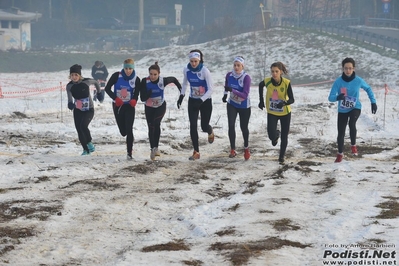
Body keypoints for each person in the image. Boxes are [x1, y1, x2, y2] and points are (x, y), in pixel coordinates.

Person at [328, 57, 377, 163]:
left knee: (352, 123)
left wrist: (373, 102)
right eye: (346, 68)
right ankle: (340, 153)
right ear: (343, 69)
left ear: (353, 68)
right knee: (340, 132)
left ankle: (353, 145)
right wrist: (338, 97)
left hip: (355, 107)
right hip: (343, 109)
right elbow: (330, 97)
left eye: (350, 68)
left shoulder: (358, 80)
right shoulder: (338, 82)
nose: (348, 70)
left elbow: (368, 88)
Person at [140, 61, 182, 160]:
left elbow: (174, 79)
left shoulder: (163, 81)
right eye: (151, 74)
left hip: (160, 106)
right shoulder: (144, 81)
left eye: (155, 74)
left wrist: (181, 90)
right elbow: (142, 98)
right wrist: (148, 94)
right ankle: (153, 149)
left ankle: (156, 147)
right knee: (150, 127)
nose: (153, 76)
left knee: (156, 123)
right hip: (149, 107)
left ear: (159, 74)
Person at [177, 49, 214, 160]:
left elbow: (211, 89)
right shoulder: (187, 70)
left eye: (195, 61)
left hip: (205, 101)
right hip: (193, 100)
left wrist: (201, 100)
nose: (193, 63)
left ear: (199, 60)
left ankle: (210, 130)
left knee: (203, 126)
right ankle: (196, 152)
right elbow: (184, 83)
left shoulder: (205, 71)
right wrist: (181, 96)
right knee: (193, 126)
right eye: (192, 61)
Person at [258, 61, 295, 165]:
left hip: (285, 113)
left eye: (276, 71)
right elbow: (260, 86)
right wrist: (260, 100)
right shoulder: (267, 81)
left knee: (284, 136)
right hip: (272, 112)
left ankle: (281, 156)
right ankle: (275, 135)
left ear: (281, 72)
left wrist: (284, 103)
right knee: (271, 135)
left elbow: (292, 99)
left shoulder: (286, 83)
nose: (274, 74)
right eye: (272, 71)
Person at [104, 58, 140, 160]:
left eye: (130, 69)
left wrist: (134, 100)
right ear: (123, 68)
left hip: (129, 107)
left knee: (129, 130)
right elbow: (107, 89)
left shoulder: (136, 79)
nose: (128, 71)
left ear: (133, 68)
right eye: (126, 68)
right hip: (118, 106)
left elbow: (137, 93)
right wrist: (115, 98)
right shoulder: (116, 76)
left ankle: (129, 153)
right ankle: (128, 145)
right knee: (123, 132)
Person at [66, 64, 103, 155]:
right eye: (72, 75)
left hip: (89, 109)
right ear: (70, 76)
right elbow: (70, 98)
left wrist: (99, 93)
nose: (74, 77)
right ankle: (85, 150)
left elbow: (96, 82)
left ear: (79, 75)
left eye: (76, 75)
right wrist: (70, 104)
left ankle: (89, 143)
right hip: (78, 110)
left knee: (83, 126)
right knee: (79, 129)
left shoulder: (86, 81)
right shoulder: (69, 86)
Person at [223, 56, 252, 160]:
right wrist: (225, 94)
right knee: (231, 125)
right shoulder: (229, 75)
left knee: (243, 128)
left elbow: (245, 94)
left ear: (242, 66)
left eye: (238, 65)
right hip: (232, 104)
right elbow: (226, 85)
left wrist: (232, 90)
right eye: (235, 65)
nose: (236, 67)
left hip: (244, 106)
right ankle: (232, 149)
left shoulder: (246, 78)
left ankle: (246, 148)